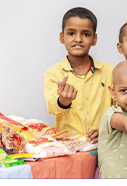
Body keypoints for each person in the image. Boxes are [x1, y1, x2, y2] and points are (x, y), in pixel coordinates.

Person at [43, 7, 113, 142]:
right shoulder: (53, 72)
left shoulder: (110, 72)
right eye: (71, 33)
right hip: (67, 148)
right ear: (62, 37)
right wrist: (63, 101)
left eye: (86, 34)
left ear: (94, 39)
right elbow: (51, 105)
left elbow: (120, 110)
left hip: (103, 146)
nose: (78, 39)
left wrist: (107, 130)